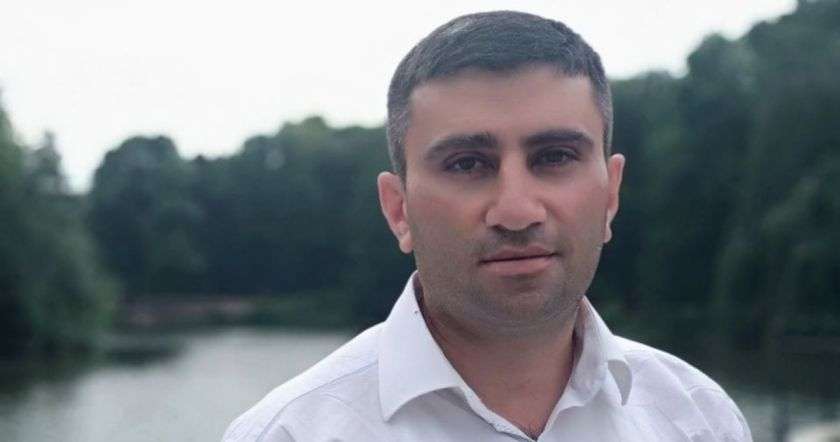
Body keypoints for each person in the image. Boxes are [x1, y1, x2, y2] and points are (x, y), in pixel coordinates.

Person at [223, 10, 752, 442]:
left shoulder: (699, 420)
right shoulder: (289, 434)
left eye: (555, 156)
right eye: (467, 164)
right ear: (399, 210)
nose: (517, 210)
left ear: (610, 195)